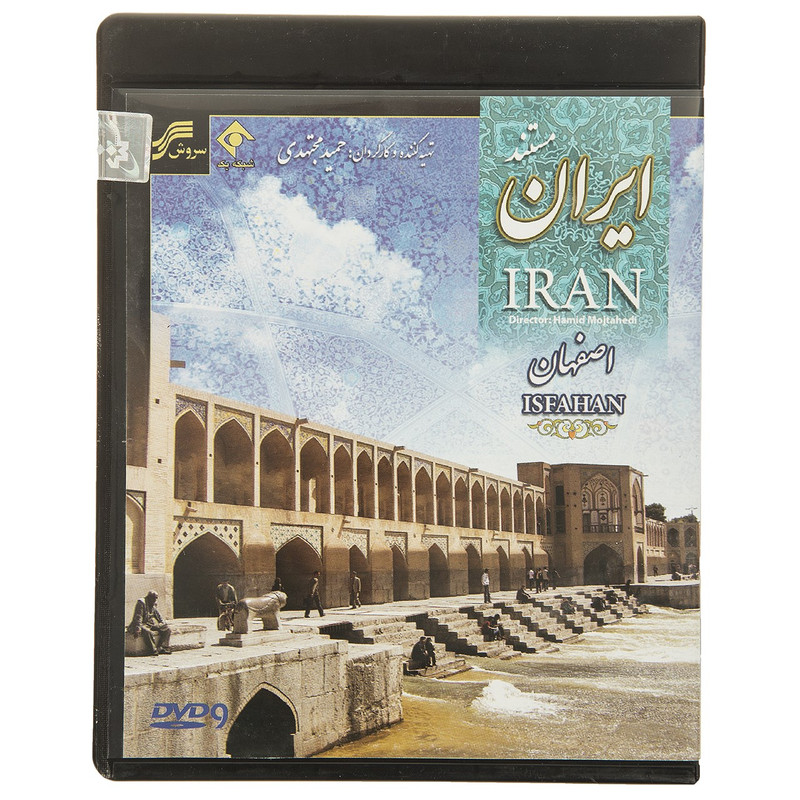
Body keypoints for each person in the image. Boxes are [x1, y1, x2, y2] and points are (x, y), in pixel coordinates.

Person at [128, 590, 171, 655]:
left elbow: (158, 615)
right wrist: (138, 629)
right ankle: (153, 650)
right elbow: (138, 617)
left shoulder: (154, 603)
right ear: (149, 597)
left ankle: (161, 647)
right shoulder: (141, 602)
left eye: (156, 598)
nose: (155, 600)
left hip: (150, 624)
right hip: (141, 624)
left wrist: (162, 623)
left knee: (167, 629)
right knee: (148, 632)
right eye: (154, 598)